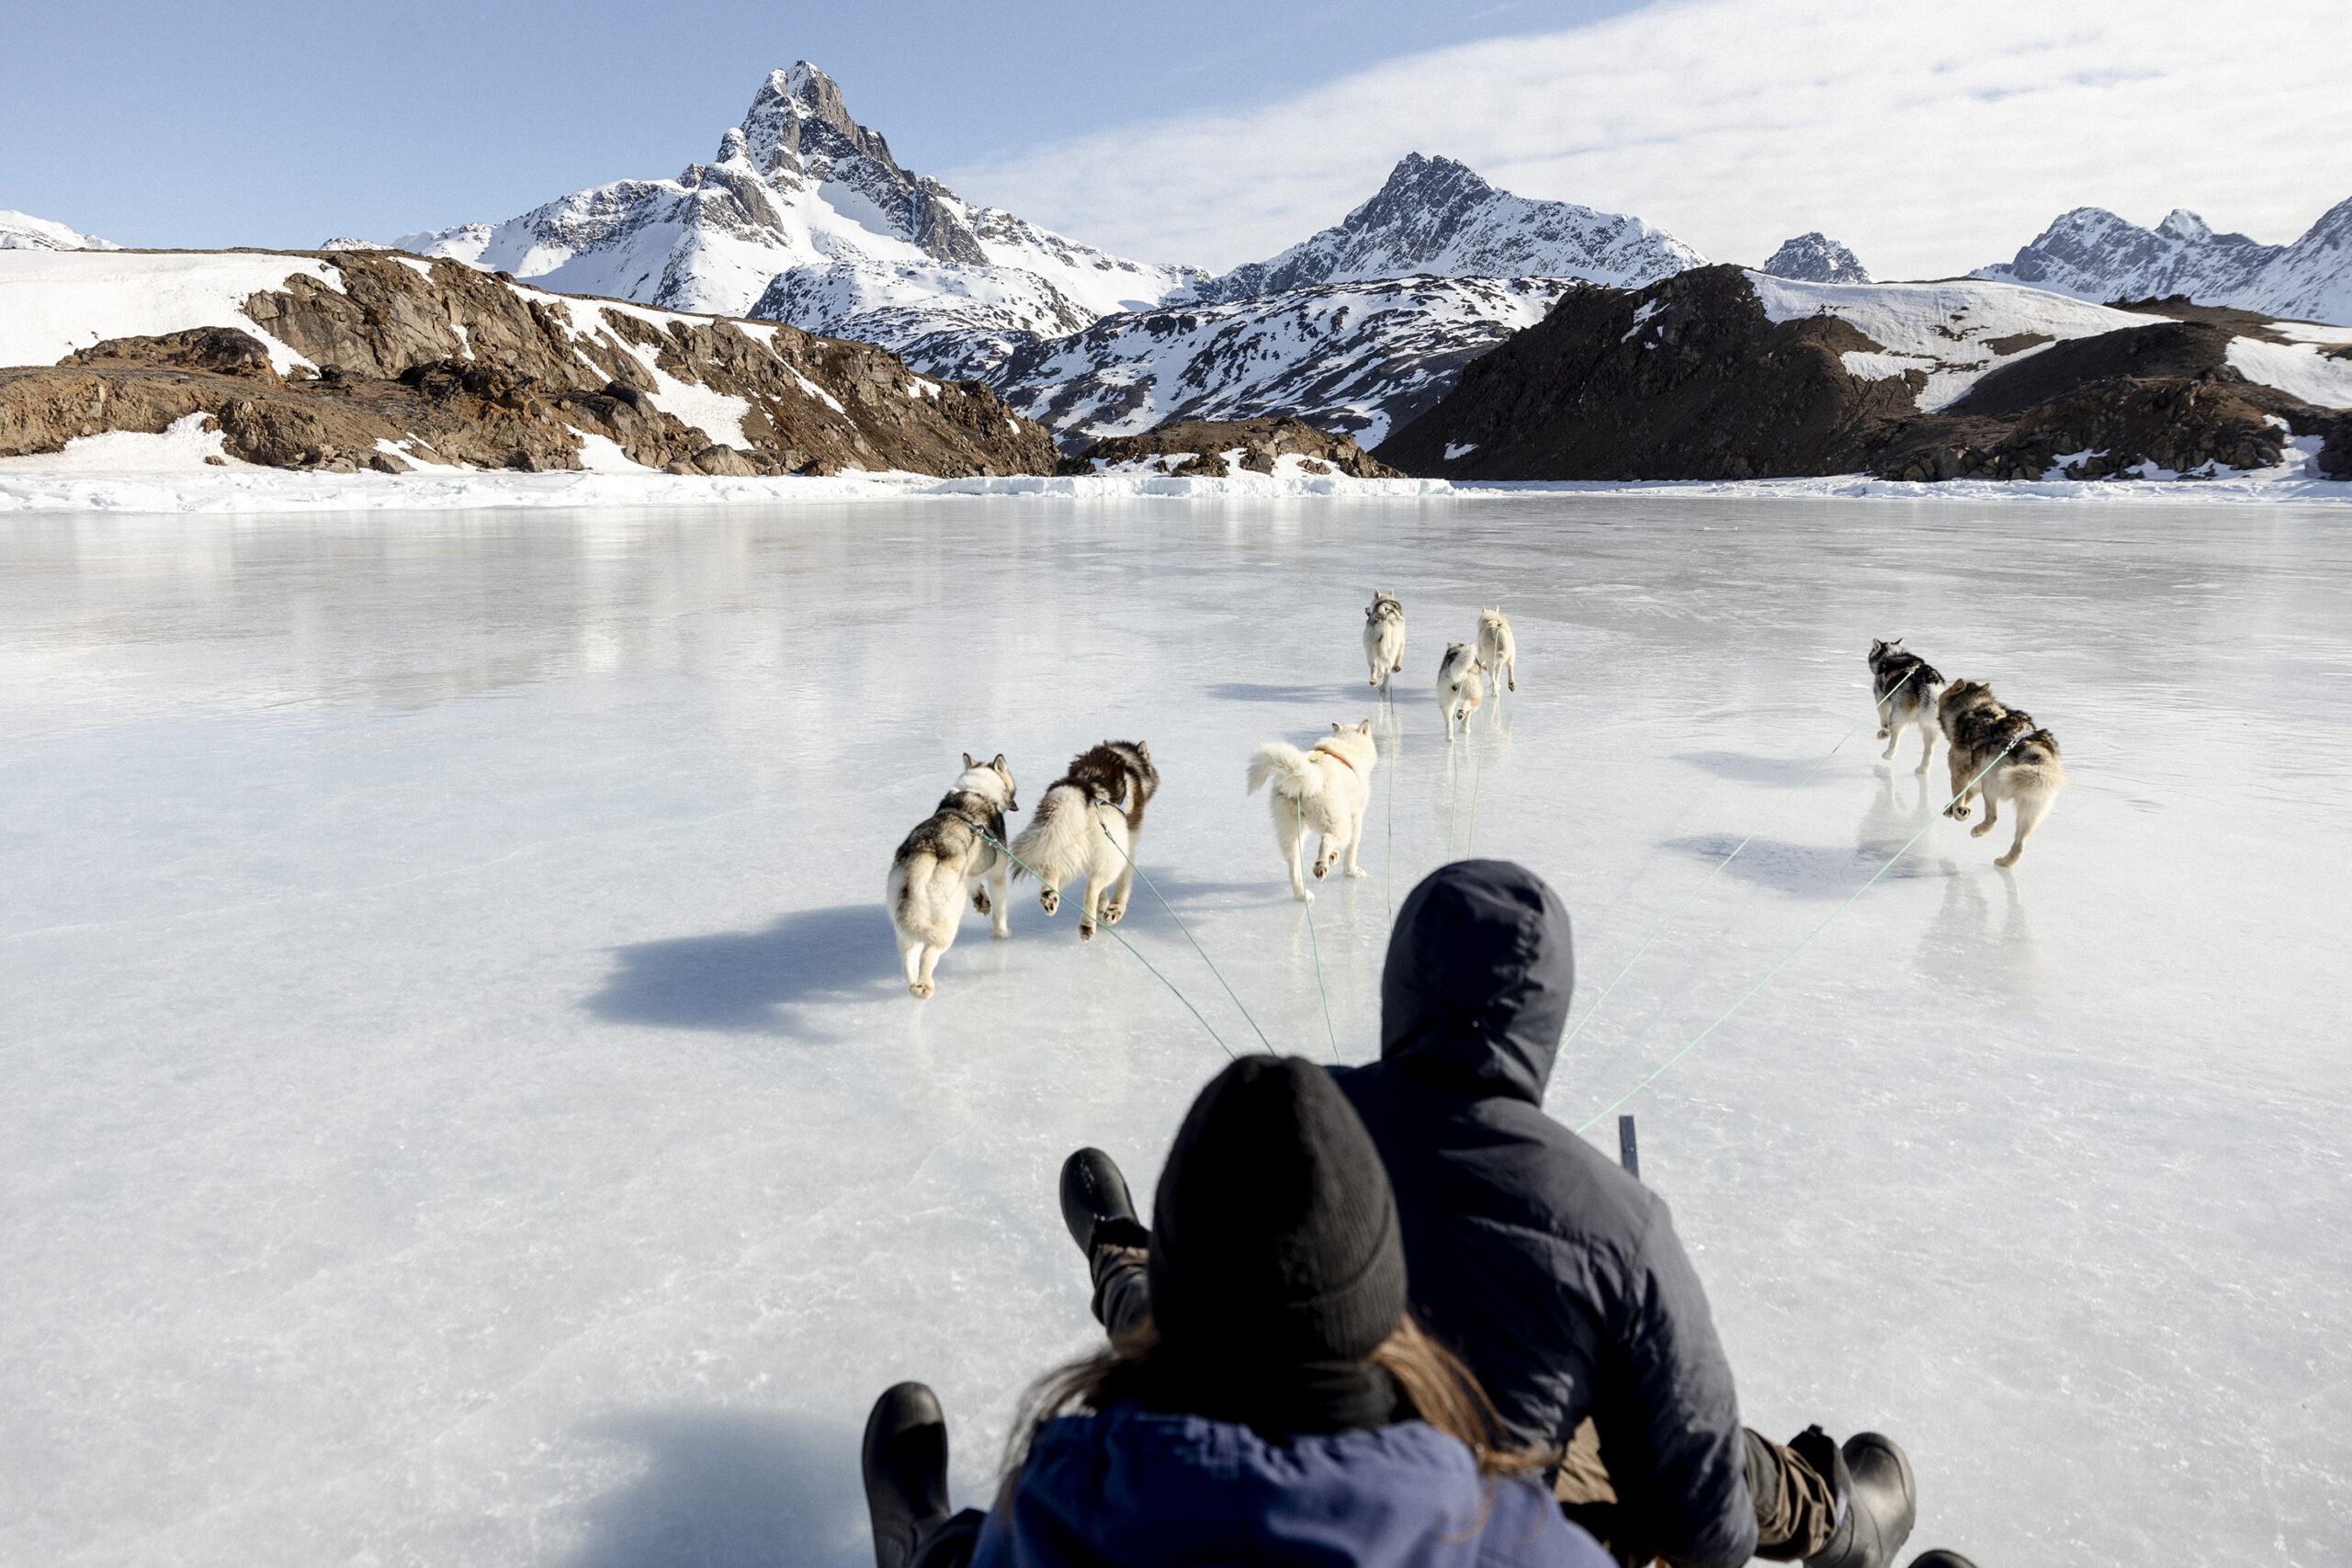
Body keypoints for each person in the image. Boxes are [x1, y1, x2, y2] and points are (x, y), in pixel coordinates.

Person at [1057, 860, 1930, 1568]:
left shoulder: (1297, 1120)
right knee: (1692, 1444)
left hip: (1245, 1458)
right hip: (1480, 1513)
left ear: (1401, 980)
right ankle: (1838, 1525)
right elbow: (1708, 1532)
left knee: (1170, 1322)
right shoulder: (1618, 1221)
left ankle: (1118, 1254)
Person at [860, 1054, 1615, 1568]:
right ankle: (1123, 1261)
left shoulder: (1054, 1507)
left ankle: (923, 1539)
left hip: (1162, 1391)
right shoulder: (1519, 1539)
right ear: (1384, 1297)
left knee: (968, 1548)